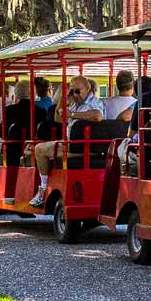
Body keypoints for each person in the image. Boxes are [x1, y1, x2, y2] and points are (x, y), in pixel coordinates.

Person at [30, 76, 104, 207]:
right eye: (72, 91)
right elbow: (58, 119)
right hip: (73, 145)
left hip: (83, 147)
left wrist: (72, 115)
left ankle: (43, 188)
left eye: (77, 91)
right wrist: (64, 99)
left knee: (39, 149)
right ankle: (43, 188)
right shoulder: (76, 103)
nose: (75, 94)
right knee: (38, 147)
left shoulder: (94, 102)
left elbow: (98, 116)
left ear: (87, 89)